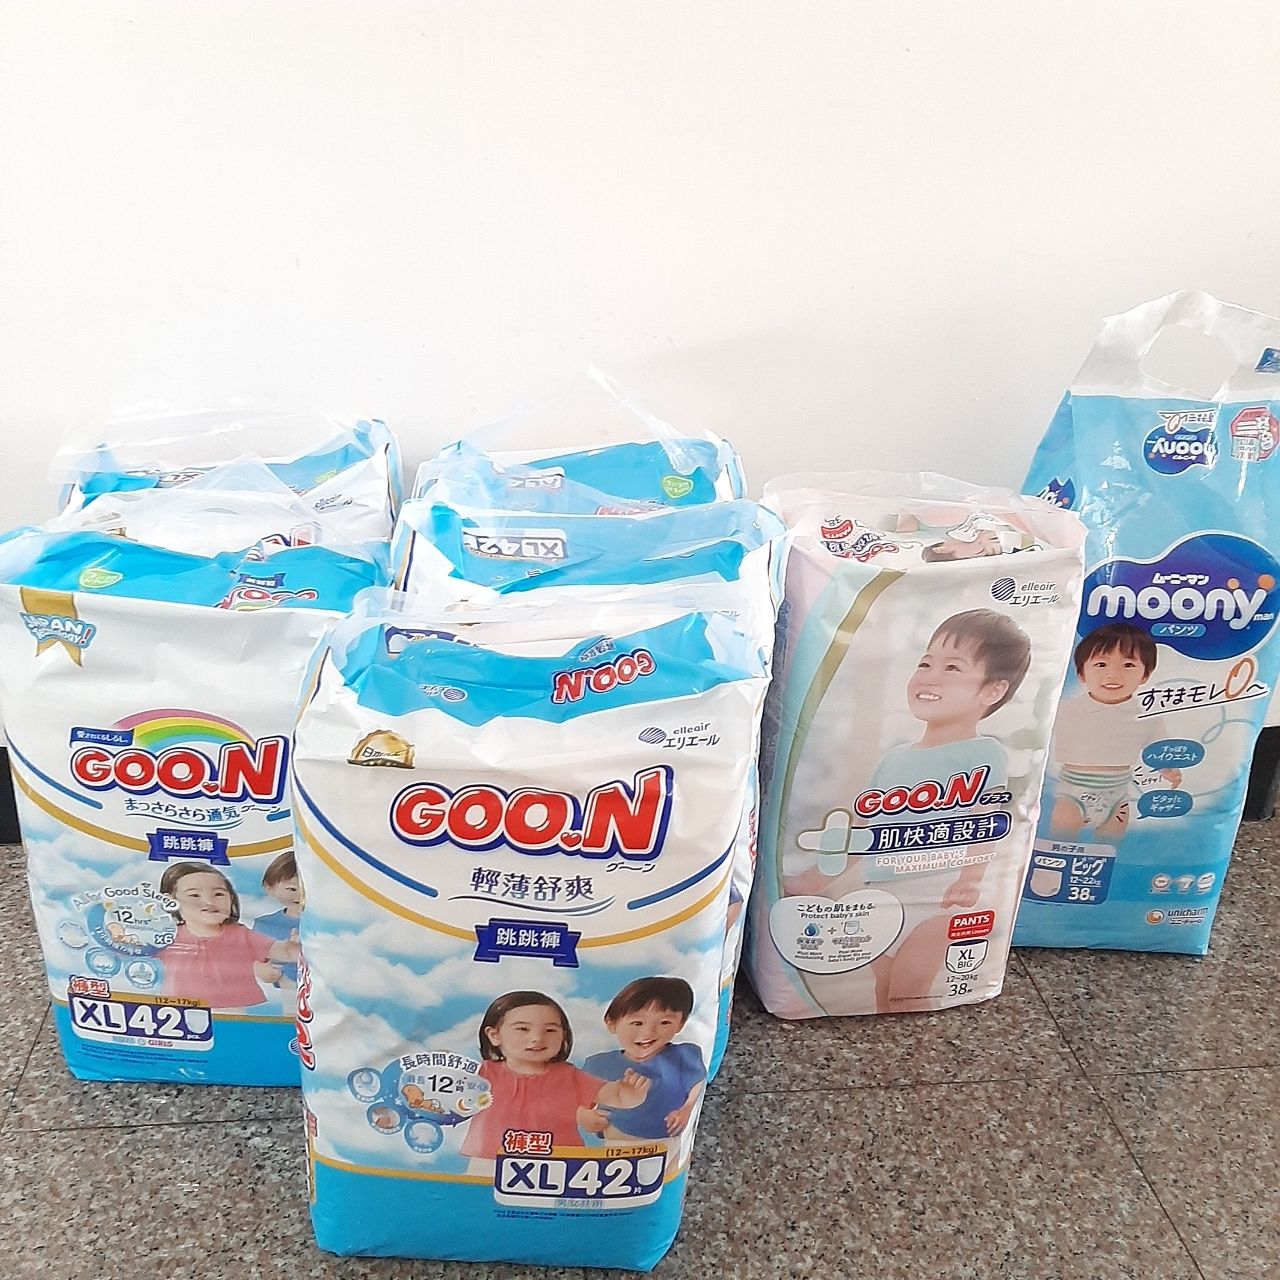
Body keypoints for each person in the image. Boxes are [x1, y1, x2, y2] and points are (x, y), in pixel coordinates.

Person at [787, 609, 1031, 1013]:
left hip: (940, 894)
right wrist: (811, 880)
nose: (930, 676)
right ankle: (883, 1047)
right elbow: (866, 832)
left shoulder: (984, 752)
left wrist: (970, 879)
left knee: (910, 987)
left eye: (953, 668)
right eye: (925, 663)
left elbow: (984, 823)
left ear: (992, 691)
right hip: (882, 894)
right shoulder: (895, 758)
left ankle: (918, 1048)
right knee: (884, 988)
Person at [460, 991, 650, 1173]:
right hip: (490, 1162)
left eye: (550, 1030)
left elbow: (612, 1095)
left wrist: (628, 1094)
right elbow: (451, 1091)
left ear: (563, 1036)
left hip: (559, 1165)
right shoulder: (482, 1073)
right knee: (478, 1194)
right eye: (522, 1029)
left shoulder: (569, 1076)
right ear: (494, 1035)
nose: (537, 1038)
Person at [1049, 622, 1181, 841]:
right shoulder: (1064, 709)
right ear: (1081, 673)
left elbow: (1159, 749)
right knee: (1061, 839)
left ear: (1145, 675)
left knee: (1110, 846)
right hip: (1073, 794)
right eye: (1101, 664)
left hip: (1117, 797)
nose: (1113, 674)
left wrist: (1169, 769)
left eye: (1128, 665)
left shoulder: (1147, 716)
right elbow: (1036, 738)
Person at [157, 862, 300, 1010]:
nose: (209, 901)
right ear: (170, 901)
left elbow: (285, 952)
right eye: (194, 895)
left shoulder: (241, 935)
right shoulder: (166, 935)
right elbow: (144, 957)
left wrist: (294, 946)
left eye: (219, 894)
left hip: (232, 1009)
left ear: (231, 899)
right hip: (178, 1009)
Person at [583, 977, 705, 1142]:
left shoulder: (683, 1055)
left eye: (665, 1022)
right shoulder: (599, 1064)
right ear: (612, 1023)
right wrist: (585, 1116)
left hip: (667, 1140)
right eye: (637, 1023)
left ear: (680, 1024)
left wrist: (686, 1109)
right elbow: (577, 1100)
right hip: (618, 1138)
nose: (648, 1032)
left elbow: (697, 1082)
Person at [251, 850, 303, 1015]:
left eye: (309, 888)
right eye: (292, 889)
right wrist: (259, 969)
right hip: (281, 991)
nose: (301, 895)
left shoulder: (327, 925)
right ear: (269, 887)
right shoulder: (265, 924)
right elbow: (250, 959)